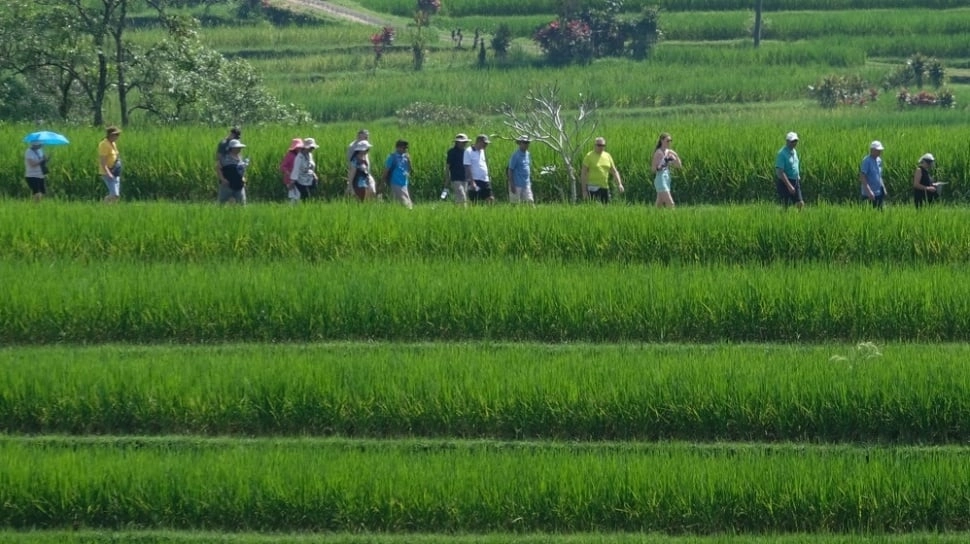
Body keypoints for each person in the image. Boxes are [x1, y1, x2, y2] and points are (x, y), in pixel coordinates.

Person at [581, 136, 623, 203]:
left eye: (603, 145)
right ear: (595, 145)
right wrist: (584, 191)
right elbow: (583, 174)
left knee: (605, 208)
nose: (601, 147)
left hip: (605, 187)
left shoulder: (608, 156)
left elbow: (614, 171)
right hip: (592, 188)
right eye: (599, 145)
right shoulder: (589, 156)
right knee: (594, 208)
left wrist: (619, 184)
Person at [652, 132, 682, 208]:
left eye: (670, 141)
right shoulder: (658, 153)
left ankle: (652, 218)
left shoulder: (669, 152)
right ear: (662, 141)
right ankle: (674, 219)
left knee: (659, 206)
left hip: (667, 179)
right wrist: (662, 165)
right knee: (671, 204)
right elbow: (653, 170)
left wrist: (675, 155)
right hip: (660, 180)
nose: (669, 142)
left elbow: (679, 166)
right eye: (667, 140)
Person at [775, 132, 803, 210]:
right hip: (785, 182)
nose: (794, 143)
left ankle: (799, 220)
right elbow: (780, 172)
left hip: (795, 181)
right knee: (785, 206)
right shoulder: (782, 154)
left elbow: (795, 165)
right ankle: (783, 220)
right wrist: (789, 186)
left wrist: (797, 176)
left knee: (800, 203)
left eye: (795, 141)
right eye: (792, 141)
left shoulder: (794, 152)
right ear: (787, 141)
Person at [383, 139, 413, 209]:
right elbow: (386, 171)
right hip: (395, 183)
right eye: (403, 148)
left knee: (403, 204)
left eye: (406, 148)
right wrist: (383, 181)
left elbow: (410, 169)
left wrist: (409, 161)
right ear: (398, 148)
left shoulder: (406, 157)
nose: (405, 150)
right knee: (406, 205)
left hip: (404, 183)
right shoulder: (392, 157)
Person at [507, 135, 534, 206]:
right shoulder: (515, 155)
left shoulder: (528, 154)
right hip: (516, 184)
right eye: (524, 142)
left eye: (527, 142)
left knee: (530, 202)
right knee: (515, 204)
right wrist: (512, 184)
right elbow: (510, 170)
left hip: (526, 184)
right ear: (520, 143)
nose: (526, 144)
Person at [218, 139, 248, 205]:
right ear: (232, 148)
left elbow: (241, 171)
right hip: (227, 185)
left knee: (242, 204)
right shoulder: (225, 158)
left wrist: (243, 178)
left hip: (239, 185)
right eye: (238, 147)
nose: (240, 149)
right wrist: (222, 179)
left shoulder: (240, 158)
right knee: (221, 204)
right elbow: (218, 168)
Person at [860, 140, 887, 210]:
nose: (879, 152)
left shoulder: (879, 160)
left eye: (880, 150)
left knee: (880, 213)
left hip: (878, 193)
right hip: (869, 194)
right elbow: (862, 177)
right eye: (878, 150)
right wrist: (869, 192)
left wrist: (883, 187)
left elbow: (879, 175)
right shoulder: (866, 161)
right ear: (872, 150)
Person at [465, 134, 492, 203]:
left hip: (484, 180)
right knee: (474, 200)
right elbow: (467, 167)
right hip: (475, 180)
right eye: (485, 143)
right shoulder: (468, 151)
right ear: (479, 142)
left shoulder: (482, 151)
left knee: (490, 199)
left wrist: (488, 176)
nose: (486, 145)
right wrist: (472, 182)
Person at [98, 126, 122, 204]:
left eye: (118, 134)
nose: (117, 136)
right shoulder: (104, 144)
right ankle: (103, 205)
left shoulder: (113, 144)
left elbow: (116, 155)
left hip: (115, 171)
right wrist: (109, 173)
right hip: (107, 172)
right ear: (110, 135)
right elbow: (103, 161)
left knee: (116, 195)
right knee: (114, 194)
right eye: (116, 134)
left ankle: (111, 208)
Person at [445, 133, 470, 206]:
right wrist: (447, 179)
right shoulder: (451, 152)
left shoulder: (467, 152)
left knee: (463, 197)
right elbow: (447, 166)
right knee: (462, 196)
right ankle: (463, 212)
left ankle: (460, 212)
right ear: (457, 142)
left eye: (465, 142)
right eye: (462, 142)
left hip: (465, 178)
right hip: (455, 178)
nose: (464, 144)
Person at [215, 126, 242, 192]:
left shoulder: (236, 142)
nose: (236, 139)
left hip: (234, 165)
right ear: (232, 134)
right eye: (235, 137)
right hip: (226, 166)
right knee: (226, 185)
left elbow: (238, 154)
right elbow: (219, 156)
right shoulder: (223, 143)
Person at [280, 138, 303, 202]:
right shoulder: (290, 155)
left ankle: (293, 209)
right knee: (295, 195)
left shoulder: (300, 156)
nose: (300, 149)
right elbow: (282, 166)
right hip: (290, 179)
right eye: (298, 147)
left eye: (300, 147)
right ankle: (292, 209)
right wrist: (288, 173)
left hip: (297, 178)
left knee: (296, 195)